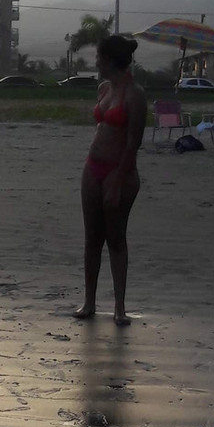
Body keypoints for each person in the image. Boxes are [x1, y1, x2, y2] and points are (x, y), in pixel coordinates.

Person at [74, 35, 147, 326]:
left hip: (121, 172)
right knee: (92, 239)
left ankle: (119, 306)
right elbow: (102, 127)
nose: (96, 62)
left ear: (111, 60)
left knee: (115, 239)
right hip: (93, 168)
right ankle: (89, 302)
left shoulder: (134, 94)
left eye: (99, 57)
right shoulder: (104, 89)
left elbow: (133, 143)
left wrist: (118, 181)